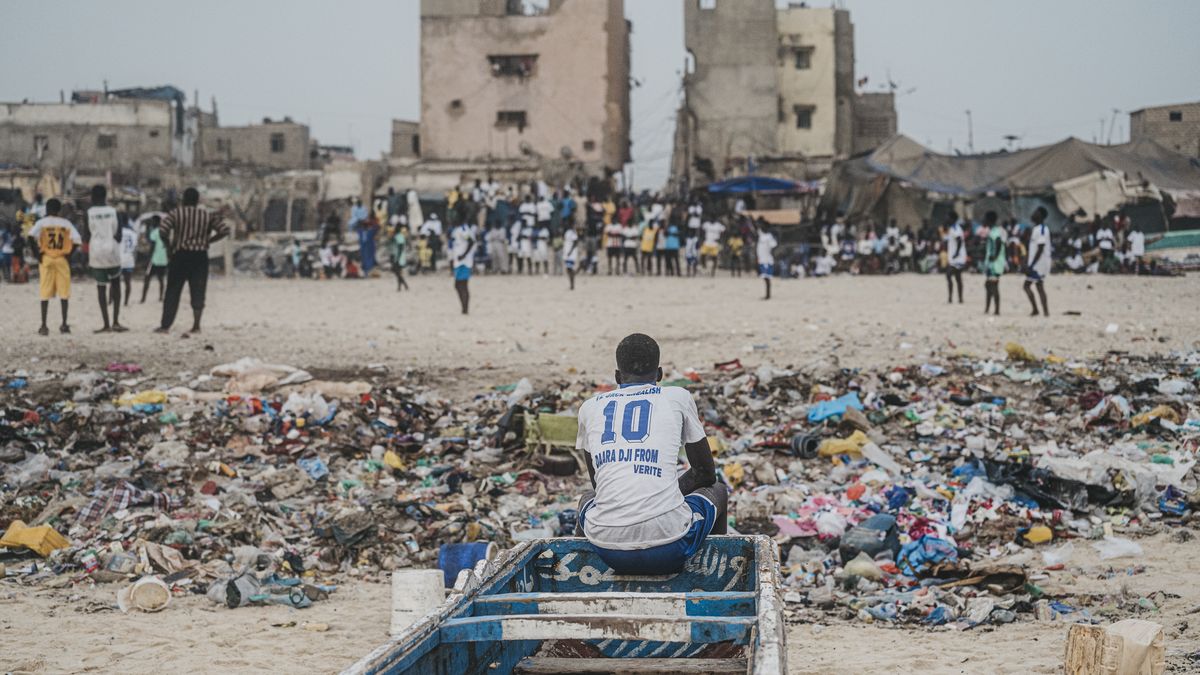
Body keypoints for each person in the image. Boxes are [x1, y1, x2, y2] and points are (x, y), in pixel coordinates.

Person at [573, 333, 727, 575]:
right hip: (669, 547)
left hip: (608, 550)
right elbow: (706, 474)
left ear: (616, 376)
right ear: (659, 374)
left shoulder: (589, 408)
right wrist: (666, 495)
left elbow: (598, 485)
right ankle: (717, 575)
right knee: (717, 491)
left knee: (587, 498)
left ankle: (580, 578)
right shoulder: (678, 397)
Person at [156, 187, 229, 336]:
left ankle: (165, 326)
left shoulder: (176, 213)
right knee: (198, 290)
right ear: (197, 201)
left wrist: (169, 248)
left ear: (183, 200)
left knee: (173, 291)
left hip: (180, 255)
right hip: (200, 256)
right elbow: (224, 230)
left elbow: (163, 230)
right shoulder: (206, 215)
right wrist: (209, 240)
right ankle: (196, 325)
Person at [28, 198, 82, 335]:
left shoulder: (41, 223)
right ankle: (64, 324)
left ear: (46, 209)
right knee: (64, 292)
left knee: (45, 291)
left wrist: (37, 254)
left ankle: (44, 326)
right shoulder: (66, 223)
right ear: (59, 210)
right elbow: (77, 240)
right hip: (61, 259)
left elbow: (30, 237)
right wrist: (69, 254)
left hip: (46, 258)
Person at [85, 185, 126, 333]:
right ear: (105, 196)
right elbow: (119, 236)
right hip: (112, 251)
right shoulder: (114, 212)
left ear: (92, 197)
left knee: (101, 287)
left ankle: (106, 324)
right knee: (116, 285)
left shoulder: (88, 213)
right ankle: (116, 321)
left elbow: (86, 235)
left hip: (96, 252)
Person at [1023, 207, 1052, 317]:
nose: (1033, 214)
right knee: (1037, 286)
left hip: (1040, 264)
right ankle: (1041, 311)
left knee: (1030, 286)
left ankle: (1042, 311)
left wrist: (1031, 265)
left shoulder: (1042, 230)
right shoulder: (1036, 229)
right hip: (1036, 263)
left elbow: (1040, 249)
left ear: (1040, 216)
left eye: (1036, 212)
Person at [449, 220, 476, 315]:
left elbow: (471, 241)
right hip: (458, 262)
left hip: (464, 262)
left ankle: (465, 309)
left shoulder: (464, 229)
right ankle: (464, 308)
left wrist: (464, 255)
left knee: (462, 285)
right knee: (459, 285)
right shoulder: (456, 229)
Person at [982, 211, 1005, 315]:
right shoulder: (992, 231)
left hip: (995, 265)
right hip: (992, 264)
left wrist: (995, 256)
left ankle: (997, 310)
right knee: (988, 285)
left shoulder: (995, 232)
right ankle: (988, 308)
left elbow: (999, 242)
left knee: (993, 286)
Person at [141, 215, 168, 303]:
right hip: (163, 260)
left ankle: (143, 298)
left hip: (154, 259)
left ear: (155, 222)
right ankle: (161, 297)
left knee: (147, 278)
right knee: (161, 279)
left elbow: (152, 247)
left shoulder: (154, 232)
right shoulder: (165, 232)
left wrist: (148, 258)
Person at [943, 212, 966, 304]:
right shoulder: (952, 228)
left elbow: (959, 240)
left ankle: (951, 298)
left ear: (952, 219)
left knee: (949, 275)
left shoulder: (955, 228)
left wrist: (956, 253)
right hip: (955, 257)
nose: (946, 219)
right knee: (958, 277)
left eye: (948, 217)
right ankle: (959, 298)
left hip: (957, 258)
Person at [756, 221, 778, 300]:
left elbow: (774, 245)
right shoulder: (761, 235)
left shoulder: (769, 237)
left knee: (767, 277)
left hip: (767, 260)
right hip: (761, 259)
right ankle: (767, 294)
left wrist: (771, 254)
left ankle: (768, 295)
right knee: (764, 277)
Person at [119, 216, 138, 306]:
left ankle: (111, 300)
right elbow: (135, 249)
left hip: (118, 260)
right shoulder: (133, 233)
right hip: (129, 260)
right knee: (128, 282)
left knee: (114, 282)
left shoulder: (117, 232)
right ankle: (126, 302)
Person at [391, 224, 409, 291]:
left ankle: (404, 285)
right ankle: (400, 287)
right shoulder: (400, 236)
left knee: (397, 272)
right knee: (398, 272)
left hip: (399, 257)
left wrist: (398, 258)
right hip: (399, 256)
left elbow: (400, 247)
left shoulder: (399, 236)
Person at [563, 222, 580, 290]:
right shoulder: (567, 232)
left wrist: (570, 252)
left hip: (571, 253)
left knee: (569, 269)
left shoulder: (573, 232)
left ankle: (572, 285)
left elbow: (575, 242)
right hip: (567, 252)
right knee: (568, 269)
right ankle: (571, 284)